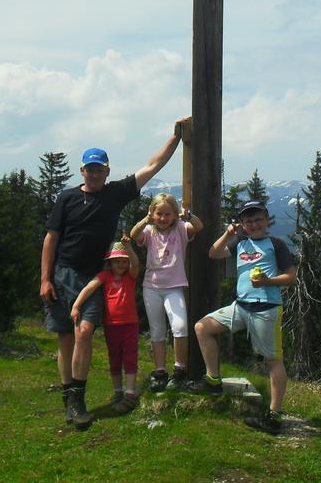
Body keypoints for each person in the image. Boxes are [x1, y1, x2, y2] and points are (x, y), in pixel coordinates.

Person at [40, 118, 187, 430]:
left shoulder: (115, 193)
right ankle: (69, 397)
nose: (94, 173)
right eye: (89, 168)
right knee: (65, 338)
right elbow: (51, 237)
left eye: (99, 169)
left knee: (83, 332)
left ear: (107, 171)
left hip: (94, 277)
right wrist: (45, 278)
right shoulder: (66, 198)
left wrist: (176, 136)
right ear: (82, 171)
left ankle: (78, 398)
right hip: (62, 273)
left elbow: (153, 165)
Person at [190, 200, 298, 434]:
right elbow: (214, 253)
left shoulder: (276, 245)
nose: (254, 224)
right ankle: (213, 380)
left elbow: (291, 276)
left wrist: (268, 281)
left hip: (266, 308)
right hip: (240, 307)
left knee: (272, 361)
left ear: (267, 220)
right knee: (202, 328)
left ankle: (274, 416)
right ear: (243, 225)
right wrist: (228, 233)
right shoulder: (240, 243)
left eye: (258, 219)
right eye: (248, 221)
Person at [128, 193, 203, 391]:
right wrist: (146, 218)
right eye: (159, 213)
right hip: (151, 286)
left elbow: (198, 227)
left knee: (180, 326)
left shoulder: (180, 229)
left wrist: (187, 215)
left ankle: (180, 370)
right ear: (153, 214)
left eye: (167, 214)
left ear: (174, 214)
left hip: (174, 286)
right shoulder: (149, 231)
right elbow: (134, 234)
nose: (163, 218)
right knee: (157, 330)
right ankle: (160, 371)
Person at [71, 238, 140, 414]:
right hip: (111, 325)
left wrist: (129, 248)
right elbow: (89, 287)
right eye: (117, 261)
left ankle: (130, 393)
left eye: (124, 261)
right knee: (114, 359)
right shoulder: (105, 276)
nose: (121, 264)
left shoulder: (131, 277)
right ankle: (118, 392)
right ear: (110, 262)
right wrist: (76, 305)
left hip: (130, 324)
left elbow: (136, 265)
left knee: (130, 357)